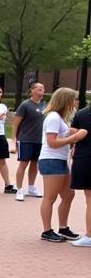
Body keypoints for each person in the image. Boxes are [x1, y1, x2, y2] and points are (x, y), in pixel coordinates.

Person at [38, 87, 86, 242]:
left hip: (60, 160)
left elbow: (60, 137)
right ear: (65, 100)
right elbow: (52, 142)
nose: (76, 102)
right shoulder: (53, 117)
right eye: (74, 99)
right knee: (50, 197)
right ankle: (46, 230)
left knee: (68, 195)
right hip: (51, 160)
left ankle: (63, 227)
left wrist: (69, 134)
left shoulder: (60, 118)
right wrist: (74, 137)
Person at [10, 81, 47, 200]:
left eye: (43, 88)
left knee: (35, 163)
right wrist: (13, 140)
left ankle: (31, 187)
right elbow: (15, 123)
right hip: (25, 139)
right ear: (32, 90)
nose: (42, 90)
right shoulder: (25, 105)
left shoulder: (45, 105)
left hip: (39, 140)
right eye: (39, 88)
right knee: (23, 163)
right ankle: (19, 190)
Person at [68, 99, 91, 247]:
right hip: (85, 157)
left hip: (85, 157)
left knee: (90, 197)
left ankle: (89, 235)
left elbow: (72, 132)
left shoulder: (82, 114)